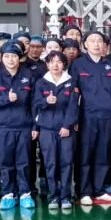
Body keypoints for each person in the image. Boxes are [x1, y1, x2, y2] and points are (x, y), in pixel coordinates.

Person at [71, 30, 111, 205]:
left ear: (104, 45)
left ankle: (99, 189)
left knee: (102, 154)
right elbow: (73, 94)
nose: (96, 44)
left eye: (99, 41)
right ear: (85, 44)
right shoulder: (78, 65)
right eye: (92, 41)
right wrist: (74, 118)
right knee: (85, 154)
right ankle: (84, 191)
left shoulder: (109, 65)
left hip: (106, 116)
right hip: (86, 117)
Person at [0, 42, 37, 211]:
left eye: (14, 56)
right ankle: (8, 193)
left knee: (24, 161)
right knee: (5, 161)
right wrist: (6, 99)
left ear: (20, 58)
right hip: (3, 127)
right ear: (1, 58)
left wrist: (35, 126)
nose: (10, 60)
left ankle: (25, 193)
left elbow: (34, 103)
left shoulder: (28, 75)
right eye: (7, 56)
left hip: (24, 126)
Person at [33, 51, 80, 211]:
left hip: (66, 130)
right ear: (47, 64)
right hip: (47, 129)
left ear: (64, 64)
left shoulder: (71, 82)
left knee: (66, 163)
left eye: (59, 62)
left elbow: (74, 106)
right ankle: (53, 196)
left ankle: (66, 196)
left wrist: (67, 126)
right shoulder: (41, 83)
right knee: (50, 163)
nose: (55, 65)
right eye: (52, 62)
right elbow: (35, 104)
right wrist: (46, 101)